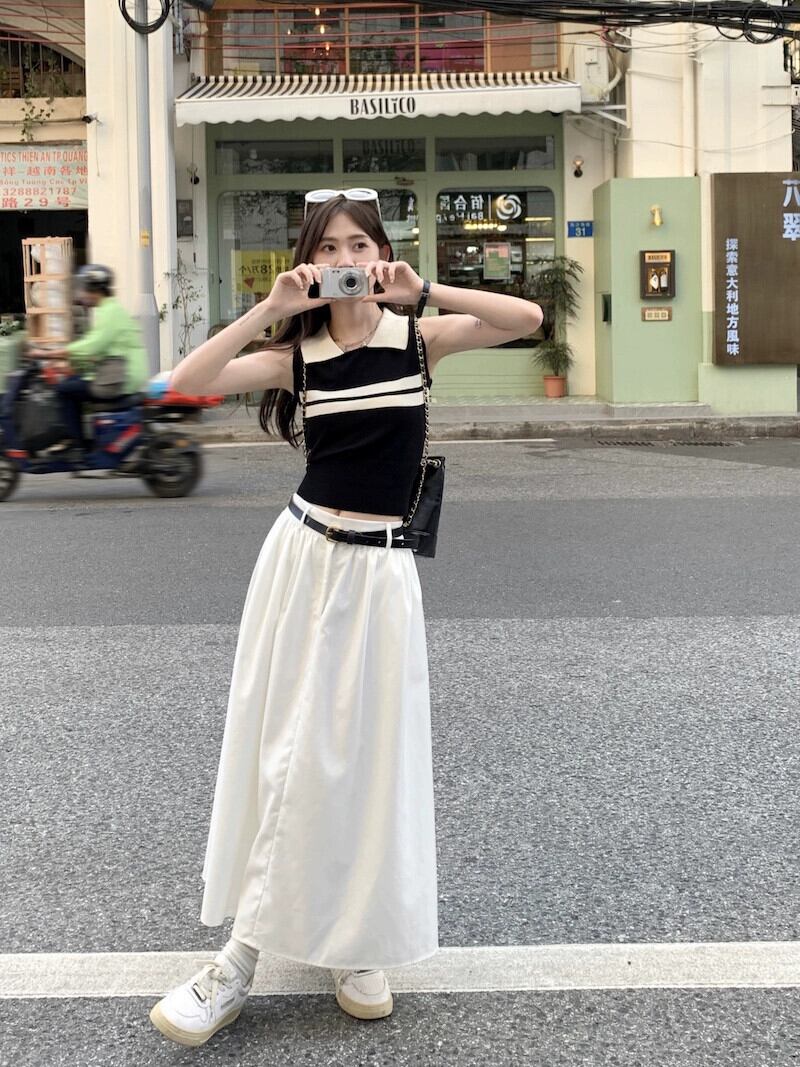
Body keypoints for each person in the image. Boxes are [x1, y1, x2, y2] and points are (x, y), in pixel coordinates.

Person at [149, 188, 543, 1048]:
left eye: (358, 243)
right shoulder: (299, 357)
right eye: (328, 247)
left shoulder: (420, 338)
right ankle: (238, 960)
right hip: (304, 562)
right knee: (291, 749)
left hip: (382, 572)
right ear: (310, 261)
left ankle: (356, 941)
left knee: (369, 759)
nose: (345, 259)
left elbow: (527, 318)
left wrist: (424, 289)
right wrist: (270, 308)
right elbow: (184, 383)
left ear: (379, 251)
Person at [31, 264, 149, 456]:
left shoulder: (110, 313)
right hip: (114, 372)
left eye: (84, 289)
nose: (82, 294)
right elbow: (96, 350)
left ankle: (78, 445)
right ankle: (82, 439)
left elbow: (92, 346)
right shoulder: (107, 310)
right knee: (71, 382)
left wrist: (48, 354)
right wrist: (68, 366)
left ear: (95, 289)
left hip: (120, 378)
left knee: (64, 390)